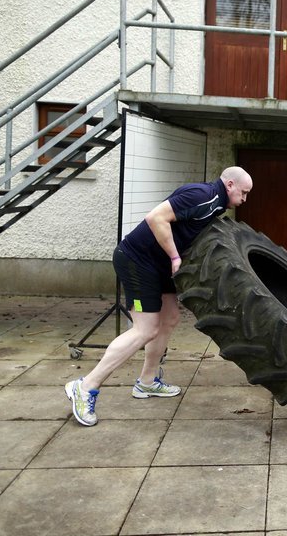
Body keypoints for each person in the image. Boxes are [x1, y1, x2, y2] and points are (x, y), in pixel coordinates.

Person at [65, 166, 253, 426]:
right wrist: (175, 257)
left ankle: (147, 382)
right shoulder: (202, 195)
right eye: (243, 193)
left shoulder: (216, 204)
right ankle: (85, 387)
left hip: (157, 266)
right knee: (145, 329)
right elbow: (156, 218)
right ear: (230, 184)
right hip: (137, 262)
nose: (244, 199)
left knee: (170, 319)